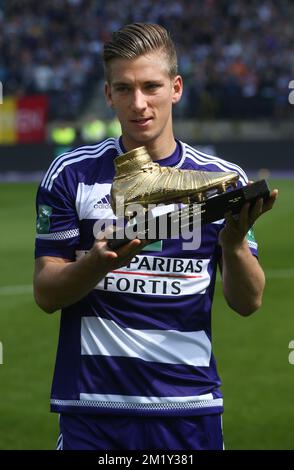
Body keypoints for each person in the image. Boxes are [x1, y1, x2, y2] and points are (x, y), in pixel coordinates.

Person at [33, 23, 278, 451]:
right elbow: (46, 293)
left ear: (176, 88)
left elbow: (248, 301)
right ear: (108, 95)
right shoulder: (71, 174)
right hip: (94, 410)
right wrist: (93, 265)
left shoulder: (221, 181)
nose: (139, 103)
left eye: (151, 86)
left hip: (188, 408)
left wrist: (234, 245)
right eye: (124, 89)